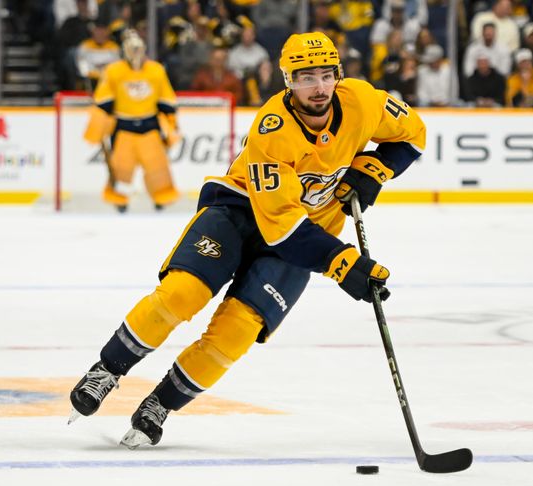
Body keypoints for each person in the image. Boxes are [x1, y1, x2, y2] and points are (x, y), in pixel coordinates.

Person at [68, 31, 426, 449]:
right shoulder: (272, 129)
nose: (319, 87)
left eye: (327, 75)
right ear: (287, 81)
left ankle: (161, 404)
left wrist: (373, 170)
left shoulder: (363, 101)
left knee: (237, 331)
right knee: (181, 293)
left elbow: (413, 135)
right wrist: (344, 264)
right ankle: (108, 368)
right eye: (306, 77)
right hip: (241, 213)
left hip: (309, 235)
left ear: (339, 75)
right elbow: (282, 227)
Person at [82, 30, 181, 211]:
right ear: (124, 50)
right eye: (132, 49)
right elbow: (104, 102)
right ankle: (120, 200)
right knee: (121, 168)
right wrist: (97, 129)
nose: (135, 53)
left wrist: (172, 125)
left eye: (138, 49)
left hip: (150, 126)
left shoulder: (156, 70)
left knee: (157, 166)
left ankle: (161, 197)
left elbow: (166, 101)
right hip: (123, 128)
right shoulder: (113, 71)